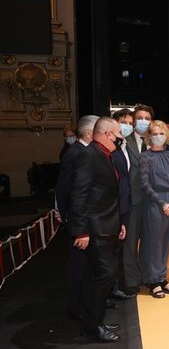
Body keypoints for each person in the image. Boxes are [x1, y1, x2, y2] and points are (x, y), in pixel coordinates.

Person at [68, 117, 127, 342]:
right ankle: (93, 326)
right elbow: (79, 195)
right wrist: (81, 231)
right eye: (119, 133)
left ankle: (95, 321)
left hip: (107, 225)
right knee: (105, 274)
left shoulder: (104, 154)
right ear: (109, 135)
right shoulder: (88, 154)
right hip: (94, 229)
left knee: (96, 275)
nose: (121, 138)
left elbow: (106, 195)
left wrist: (119, 222)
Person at [55, 115, 98, 320]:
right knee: (78, 268)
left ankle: (87, 303)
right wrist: (72, 223)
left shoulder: (86, 152)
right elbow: (65, 191)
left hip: (87, 220)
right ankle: (76, 307)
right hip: (79, 223)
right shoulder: (75, 154)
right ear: (90, 133)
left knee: (88, 267)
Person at [138, 120, 169, 297]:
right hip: (154, 202)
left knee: (165, 242)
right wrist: (163, 203)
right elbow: (144, 184)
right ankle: (153, 280)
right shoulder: (145, 157)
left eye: (161, 133)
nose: (158, 137)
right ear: (149, 136)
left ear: (167, 136)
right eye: (154, 134)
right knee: (153, 242)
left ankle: (162, 277)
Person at [121, 104, 153, 293]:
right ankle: (132, 280)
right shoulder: (125, 141)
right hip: (133, 200)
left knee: (149, 242)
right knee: (130, 243)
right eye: (139, 118)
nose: (143, 121)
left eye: (147, 118)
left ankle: (148, 276)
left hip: (153, 201)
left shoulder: (157, 140)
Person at [109, 108, 136, 300]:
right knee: (111, 250)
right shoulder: (111, 148)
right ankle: (109, 289)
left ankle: (114, 286)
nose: (128, 126)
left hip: (125, 205)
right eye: (124, 122)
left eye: (130, 123)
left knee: (118, 248)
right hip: (113, 206)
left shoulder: (124, 145)